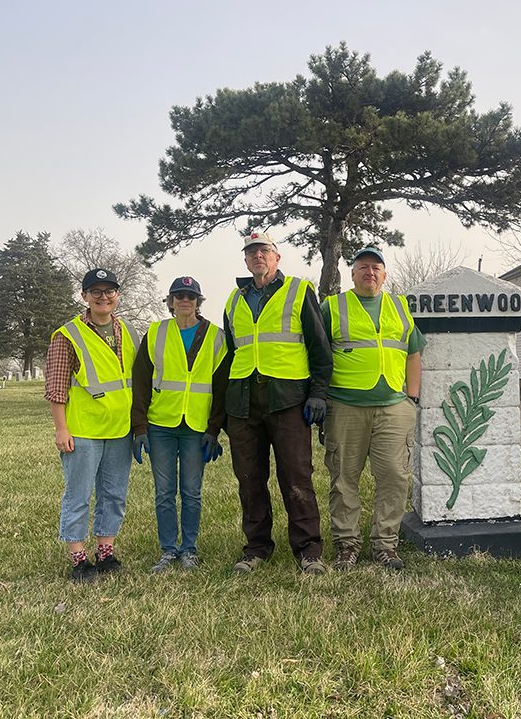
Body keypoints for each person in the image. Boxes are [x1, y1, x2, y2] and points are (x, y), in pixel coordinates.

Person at [210, 231, 333, 575]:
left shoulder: (298, 291)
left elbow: (320, 348)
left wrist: (318, 392)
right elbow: (232, 355)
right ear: (245, 260)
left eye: (264, 250)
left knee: (296, 477)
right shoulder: (234, 300)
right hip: (244, 403)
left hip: (288, 401)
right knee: (249, 479)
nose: (257, 256)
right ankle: (256, 548)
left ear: (277, 258)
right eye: (251, 253)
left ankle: (308, 550)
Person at [320, 247, 425, 571]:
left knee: (395, 477)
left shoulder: (399, 307)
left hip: (394, 408)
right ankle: (347, 545)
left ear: (384, 274)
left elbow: (413, 352)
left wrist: (413, 397)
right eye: (362, 267)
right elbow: (316, 353)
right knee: (343, 479)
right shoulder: (332, 307)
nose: (370, 272)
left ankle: (385, 545)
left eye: (376, 267)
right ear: (352, 274)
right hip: (345, 407)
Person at [45, 268, 139, 581]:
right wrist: (61, 428)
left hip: (119, 429)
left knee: (114, 494)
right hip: (83, 430)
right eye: (95, 291)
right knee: (79, 496)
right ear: (85, 296)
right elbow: (56, 386)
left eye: (109, 291)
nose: (103, 296)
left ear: (117, 295)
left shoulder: (127, 331)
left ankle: (106, 552)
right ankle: (78, 558)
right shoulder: (67, 335)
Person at [131, 276, 227, 573]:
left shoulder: (216, 336)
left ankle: (189, 550)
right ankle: (168, 550)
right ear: (170, 302)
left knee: (191, 491)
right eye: (179, 296)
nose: (185, 300)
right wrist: (140, 426)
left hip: (196, 427)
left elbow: (223, 387)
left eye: (191, 296)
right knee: (164, 491)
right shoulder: (157, 332)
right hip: (161, 424)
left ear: (198, 302)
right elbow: (141, 381)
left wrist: (214, 428)